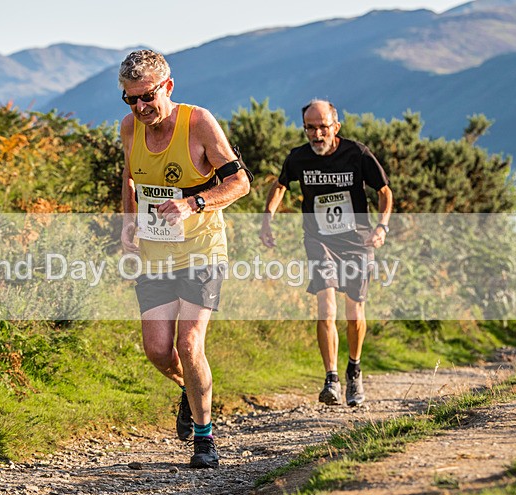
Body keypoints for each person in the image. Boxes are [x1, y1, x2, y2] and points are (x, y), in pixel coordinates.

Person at [118, 50, 251, 468]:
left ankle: (204, 439)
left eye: (147, 96)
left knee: (189, 343)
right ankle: (190, 391)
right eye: (130, 99)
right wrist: (128, 222)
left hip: (202, 249)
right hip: (155, 253)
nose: (140, 107)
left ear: (168, 87)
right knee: (158, 350)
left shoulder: (198, 123)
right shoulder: (129, 127)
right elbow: (130, 177)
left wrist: (194, 203)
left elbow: (240, 182)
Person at [260, 99, 393, 407]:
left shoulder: (357, 154)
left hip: (357, 241)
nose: (317, 134)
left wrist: (382, 226)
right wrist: (267, 219)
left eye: (323, 127)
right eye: (310, 128)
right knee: (326, 307)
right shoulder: (299, 157)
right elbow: (280, 186)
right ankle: (331, 378)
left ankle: (354, 369)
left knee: (354, 313)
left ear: (336, 127)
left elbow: (384, 191)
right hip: (319, 240)